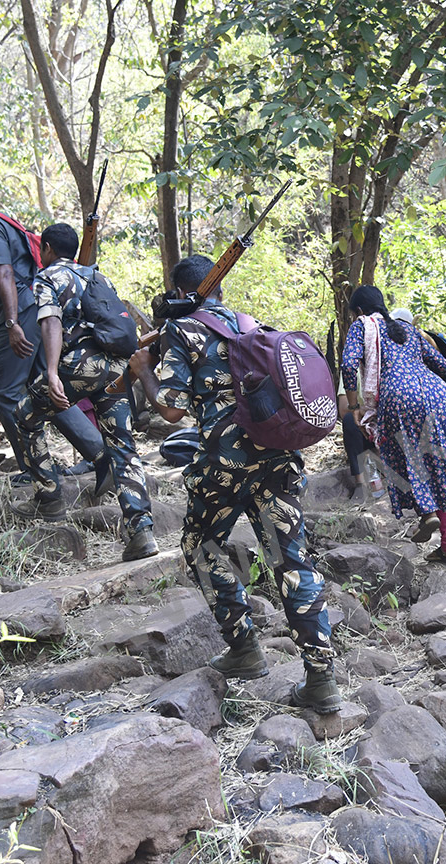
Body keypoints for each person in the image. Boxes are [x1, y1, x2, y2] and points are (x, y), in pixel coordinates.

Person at [128, 254, 339, 713]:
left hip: (225, 465)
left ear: (181, 291)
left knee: (201, 544)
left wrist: (144, 367)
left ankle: (244, 648)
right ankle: (322, 680)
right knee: (291, 560)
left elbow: (170, 409)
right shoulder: (250, 325)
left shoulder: (182, 330)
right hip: (280, 457)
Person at [0, 172, 107, 487]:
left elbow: (4, 273)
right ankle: (100, 453)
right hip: (31, 308)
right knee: (44, 387)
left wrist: (11, 322)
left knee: (4, 392)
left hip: (19, 314)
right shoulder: (4, 220)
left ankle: (37, 469)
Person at [10, 224, 157, 562]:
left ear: (45, 248)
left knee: (26, 415)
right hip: (116, 368)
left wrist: (50, 372)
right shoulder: (97, 277)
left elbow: (50, 322)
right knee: (122, 444)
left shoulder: (48, 277)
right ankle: (141, 530)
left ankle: (49, 498)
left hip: (79, 364)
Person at [339, 286, 446, 565]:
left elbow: (348, 365)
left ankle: (427, 511)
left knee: (407, 457)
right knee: (437, 463)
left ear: (359, 311)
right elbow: (443, 365)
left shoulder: (363, 325)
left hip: (399, 396)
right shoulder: (406, 329)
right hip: (437, 395)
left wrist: (356, 406)